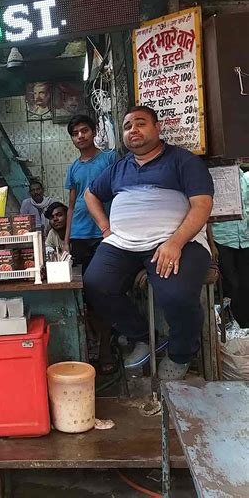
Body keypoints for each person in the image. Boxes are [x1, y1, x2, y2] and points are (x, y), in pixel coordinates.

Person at [83, 105, 214, 380]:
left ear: (157, 128)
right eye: (128, 126)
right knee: (95, 284)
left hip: (176, 241)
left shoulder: (183, 161)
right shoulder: (119, 168)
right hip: (122, 243)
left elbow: (202, 205)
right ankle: (144, 336)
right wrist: (106, 228)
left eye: (140, 123)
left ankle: (181, 353)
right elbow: (90, 195)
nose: (133, 130)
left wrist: (175, 242)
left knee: (176, 294)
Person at [64, 114, 119, 374]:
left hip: (106, 235)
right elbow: (72, 204)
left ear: (94, 131)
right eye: (75, 134)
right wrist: (66, 239)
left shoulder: (109, 158)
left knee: (105, 293)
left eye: (84, 131)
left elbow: (120, 193)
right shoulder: (73, 168)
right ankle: (94, 347)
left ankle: (107, 348)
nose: (80, 136)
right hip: (79, 237)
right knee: (84, 296)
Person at [211, 168, 249, 328]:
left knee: (246, 282)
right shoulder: (211, 177)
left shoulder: (245, 178)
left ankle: (245, 324)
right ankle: (240, 321)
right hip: (222, 238)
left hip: (245, 238)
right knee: (233, 284)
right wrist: (212, 245)